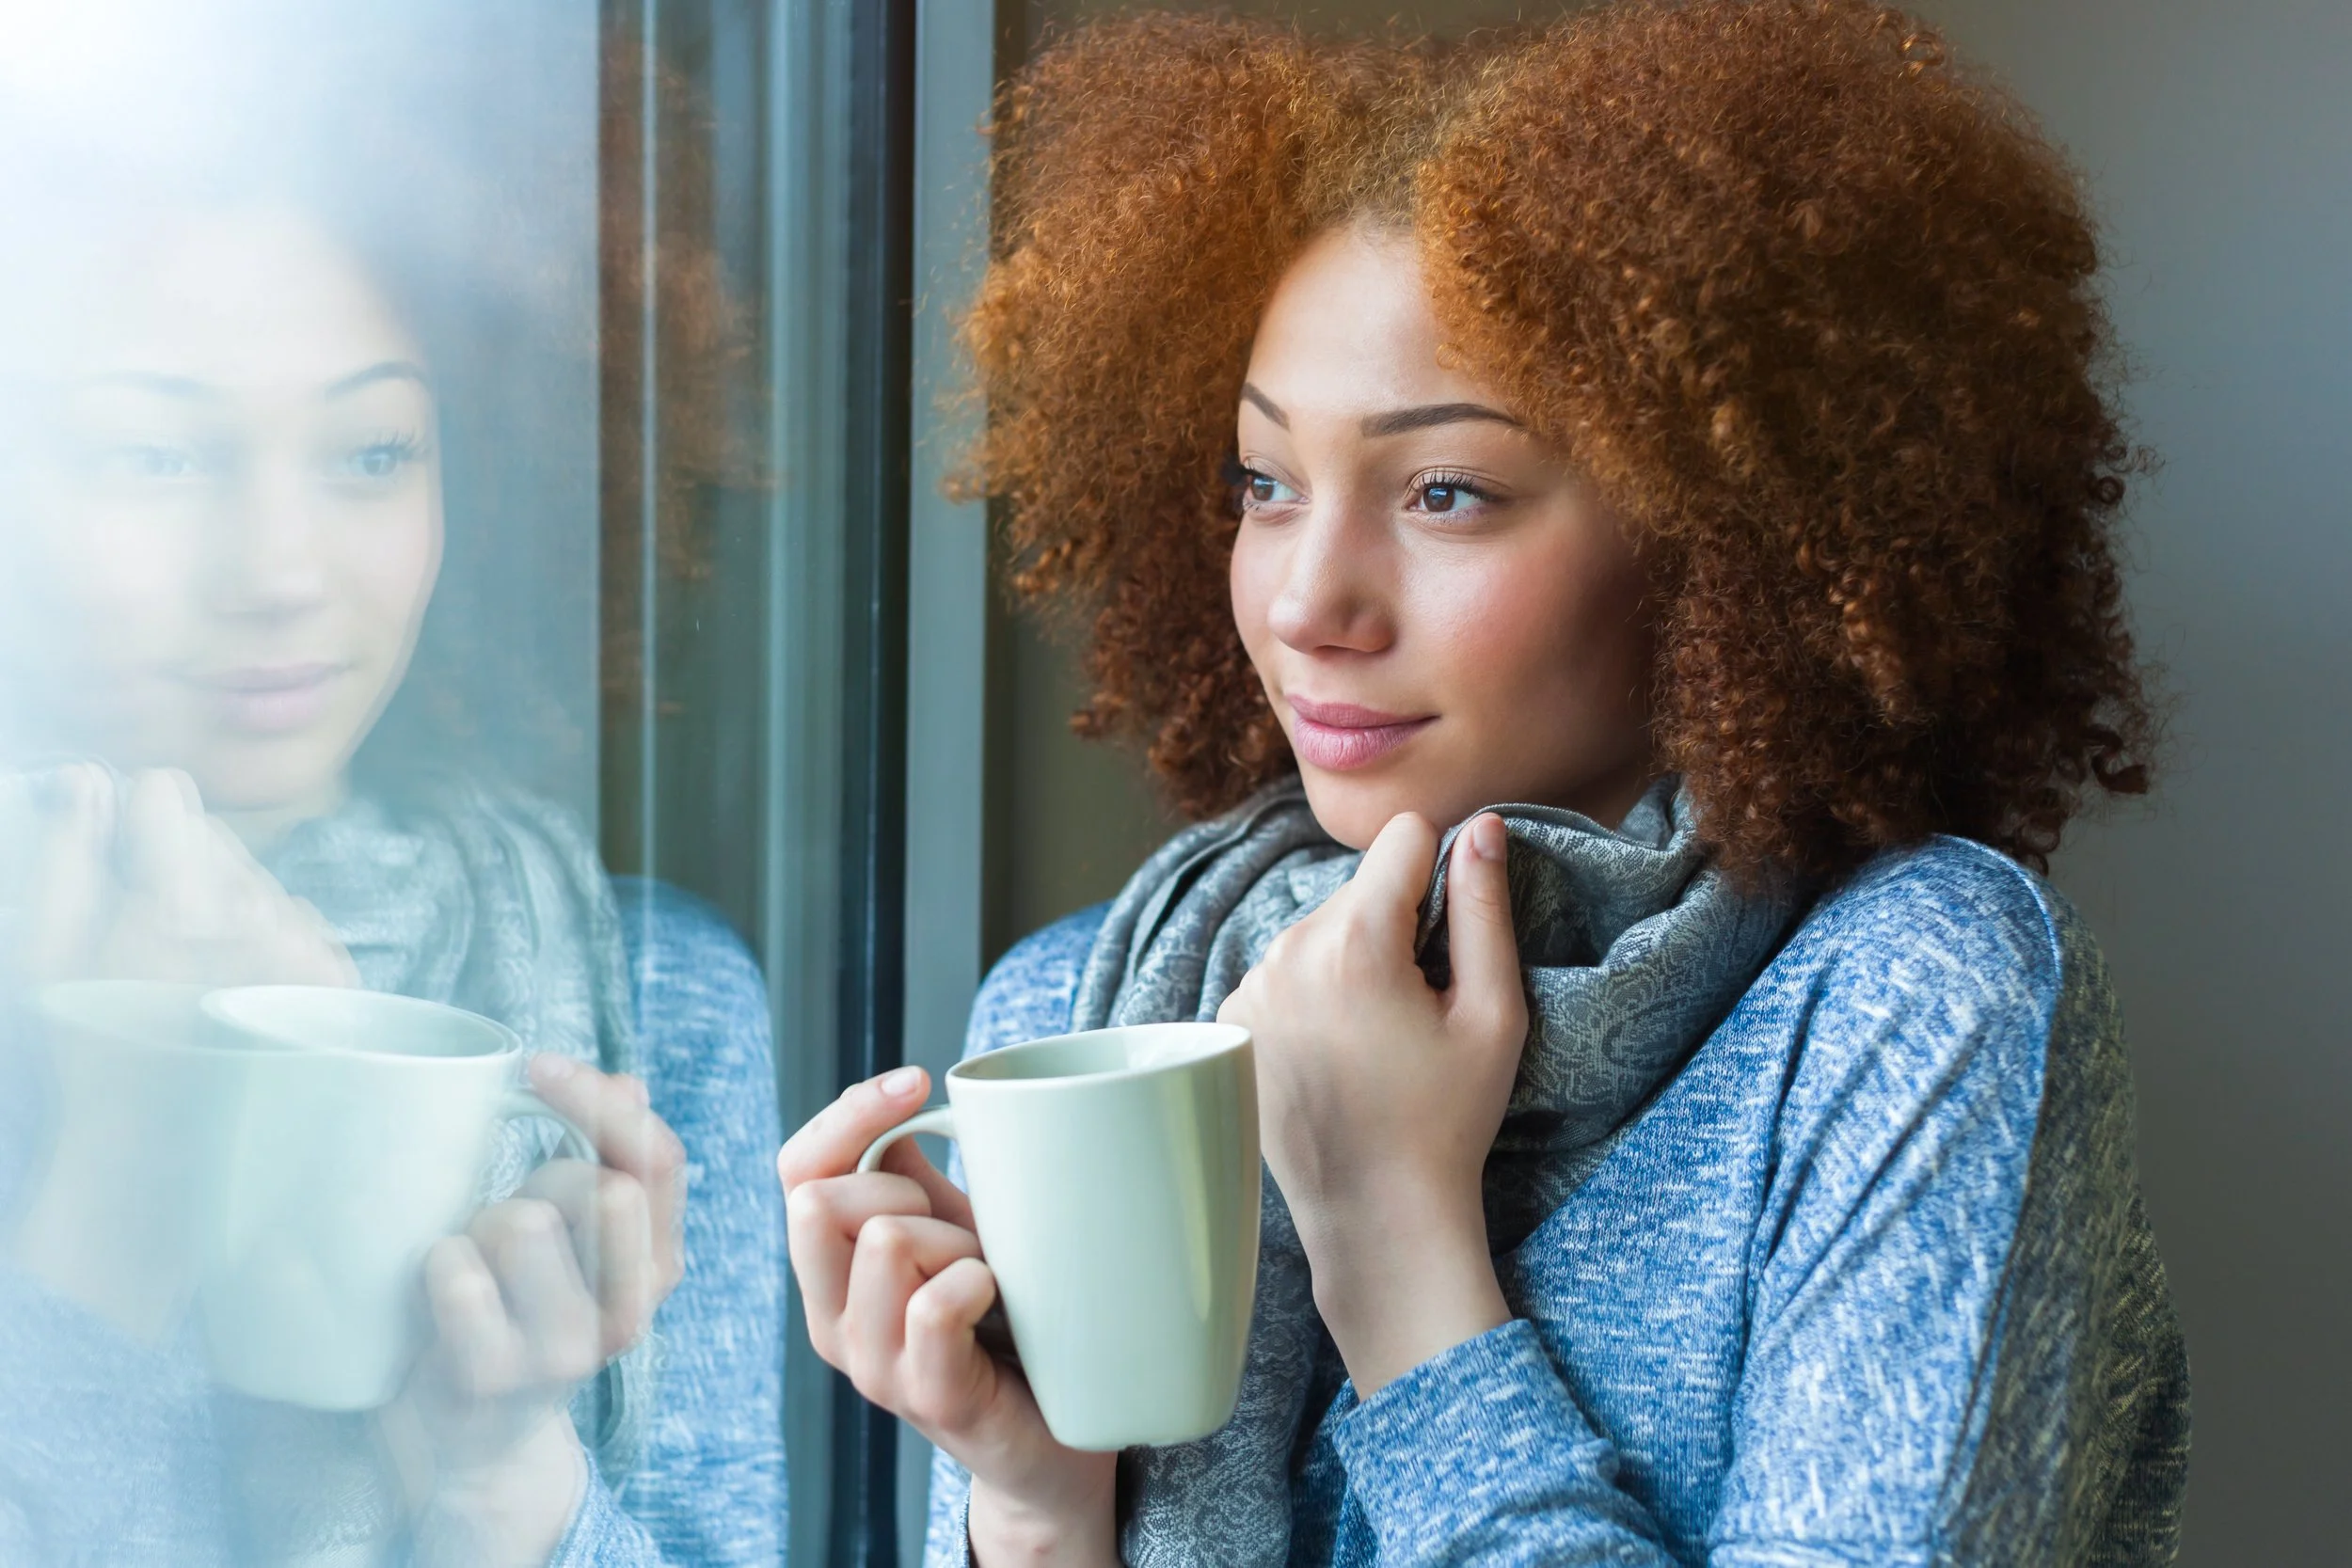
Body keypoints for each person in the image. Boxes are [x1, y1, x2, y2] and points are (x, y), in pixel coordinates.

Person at [780, 3, 2192, 1564]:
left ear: (1717, 537)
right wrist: (1039, 1503)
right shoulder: (1091, 1013)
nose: (1309, 599)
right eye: (1264, 480)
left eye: (1446, 490)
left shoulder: (1904, 1005)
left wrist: (1394, 1245)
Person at [0, 198, 786, 1563]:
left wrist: (501, 1483)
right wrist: (120, 1170)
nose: (278, 572)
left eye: (370, 451)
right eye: (156, 456)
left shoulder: (658, 995)